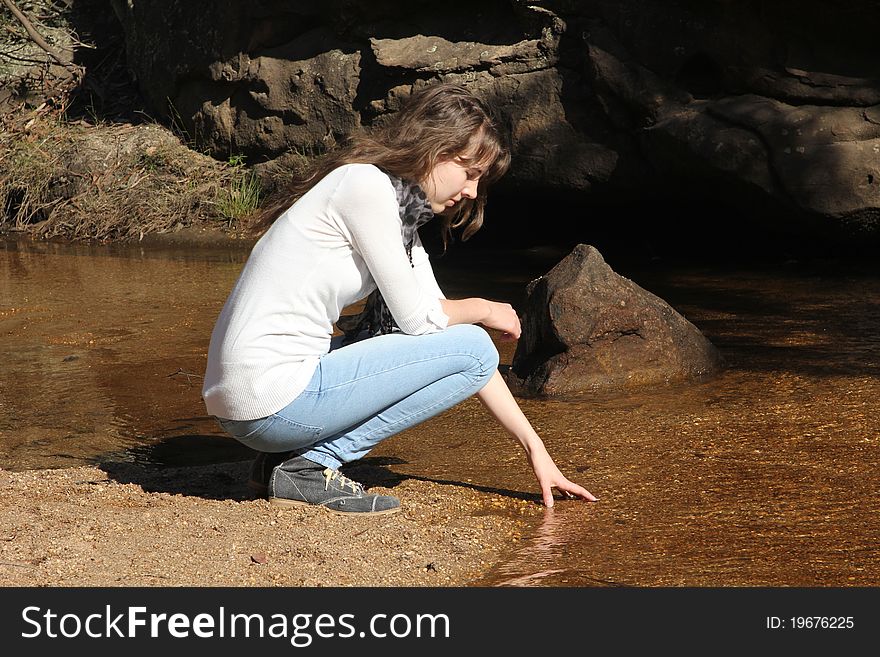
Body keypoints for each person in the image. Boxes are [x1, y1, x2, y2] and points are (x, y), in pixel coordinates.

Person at [202, 82, 597, 515]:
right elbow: (425, 324)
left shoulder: (398, 215)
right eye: (471, 173)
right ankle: (310, 464)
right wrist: (485, 309)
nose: (471, 192)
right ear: (437, 148)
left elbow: (446, 339)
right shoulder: (364, 187)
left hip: (251, 402)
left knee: (466, 345)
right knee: (474, 340)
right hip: (269, 399)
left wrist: (536, 450)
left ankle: (279, 462)